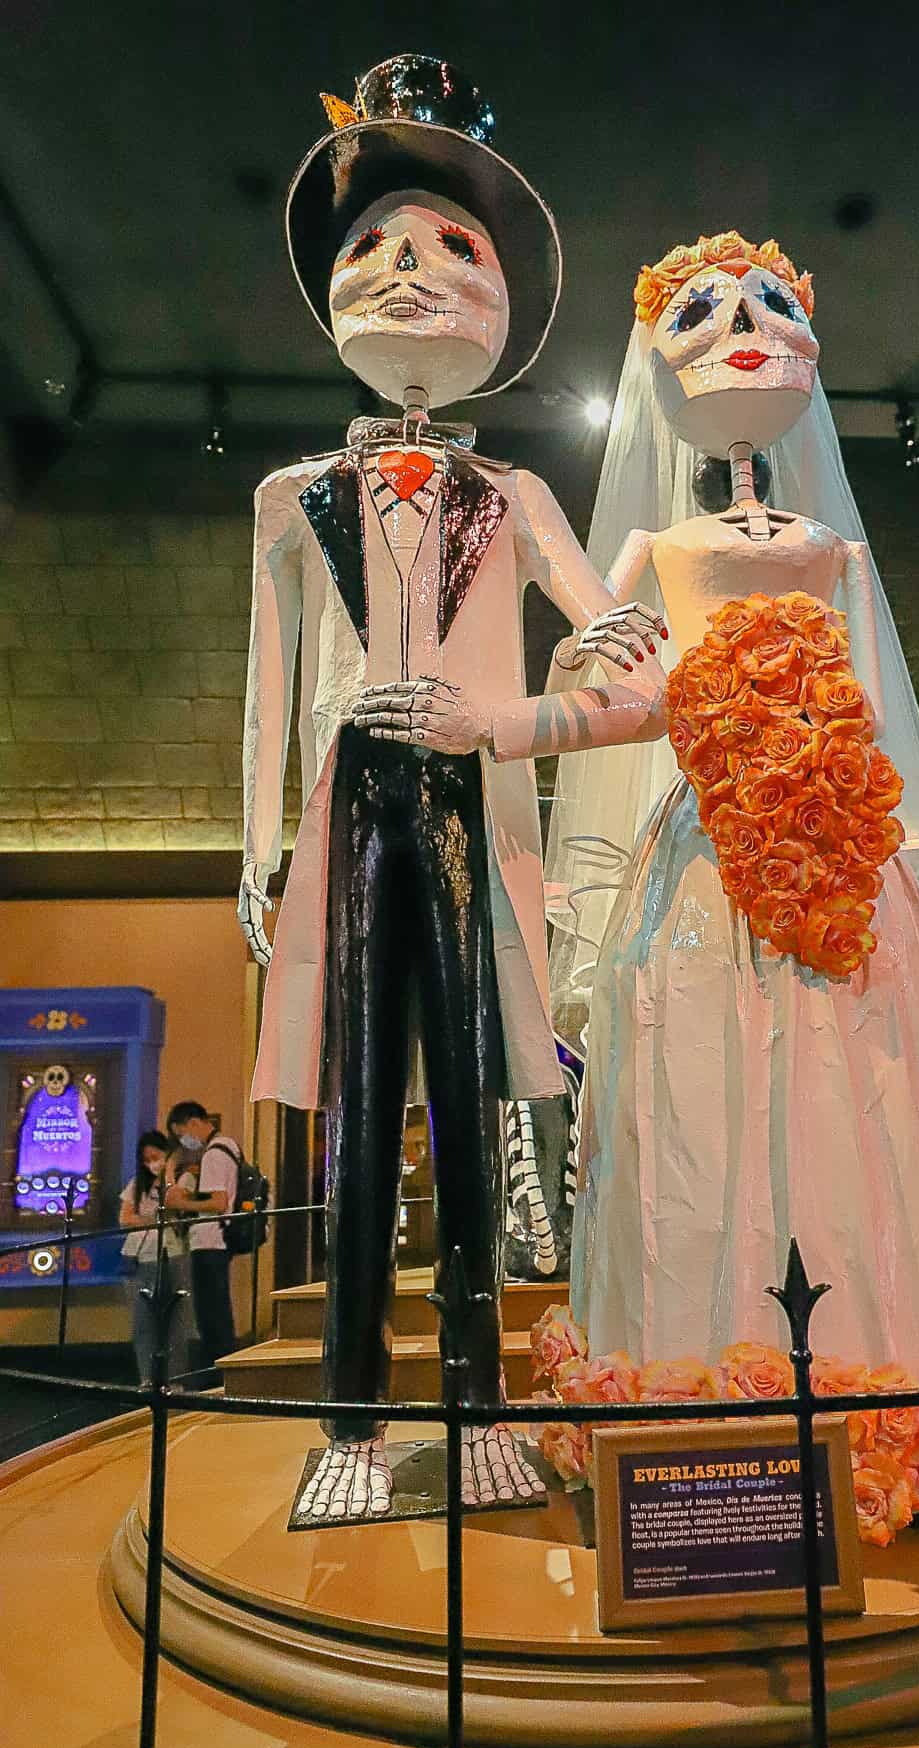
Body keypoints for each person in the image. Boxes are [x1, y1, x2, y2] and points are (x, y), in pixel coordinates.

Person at [238, 55, 659, 1522]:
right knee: (358, 1117)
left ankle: (478, 1401)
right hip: (350, 808)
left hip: (474, 810)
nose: (406, 271)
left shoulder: (519, 497)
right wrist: (255, 854)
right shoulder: (291, 501)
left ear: (501, 295)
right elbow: (267, 682)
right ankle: (354, 1418)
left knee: (474, 1105)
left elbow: (620, 643)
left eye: (446, 247)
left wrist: (524, 710)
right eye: (372, 247)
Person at [502, 228, 919, 1381]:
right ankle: (711, 1338)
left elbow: (872, 696)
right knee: (704, 1053)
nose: (743, 330)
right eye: (706, 313)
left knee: (858, 1065)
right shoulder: (652, 541)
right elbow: (597, 669)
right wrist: (579, 693)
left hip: (839, 828)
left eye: (768, 305)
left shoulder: (834, 547)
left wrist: (864, 810)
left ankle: (888, 1339)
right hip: (703, 826)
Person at [163, 1100, 239, 1375]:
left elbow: (217, 1202)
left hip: (210, 1242)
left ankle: (220, 1377)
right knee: (216, 1314)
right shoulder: (227, 1147)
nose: (184, 1140)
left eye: (181, 1132)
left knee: (212, 1318)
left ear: (194, 1122)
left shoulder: (215, 1154)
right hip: (217, 1242)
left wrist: (183, 1204)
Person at [118, 1129, 189, 1384]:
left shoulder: (181, 1181)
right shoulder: (136, 1186)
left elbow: (174, 1202)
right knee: (143, 1323)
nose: (152, 1163)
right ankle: (147, 1378)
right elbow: (125, 1218)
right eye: (146, 1159)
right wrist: (151, 1220)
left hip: (173, 1254)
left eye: (156, 1157)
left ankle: (177, 1378)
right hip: (142, 1257)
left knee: (175, 1323)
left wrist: (168, 1172)